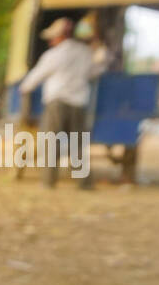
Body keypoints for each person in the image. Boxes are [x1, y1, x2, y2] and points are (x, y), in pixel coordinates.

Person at [18, 16, 102, 188]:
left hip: (57, 103)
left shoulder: (54, 55)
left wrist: (25, 88)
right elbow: (93, 72)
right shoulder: (85, 53)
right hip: (79, 103)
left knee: (51, 142)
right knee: (78, 145)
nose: (50, 41)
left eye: (52, 37)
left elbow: (36, 76)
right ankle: (84, 184)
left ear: (60, 36)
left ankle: (48, 182)